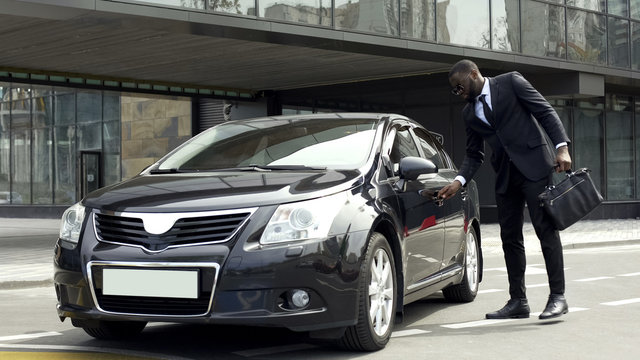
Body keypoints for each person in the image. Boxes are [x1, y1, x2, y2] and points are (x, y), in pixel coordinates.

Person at [438, 59, 572, 320]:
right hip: (506, 176)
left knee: (545, 230)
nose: (459, 92)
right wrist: (458, 181)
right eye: (454, 90)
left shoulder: (511, 82)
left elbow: (545, 112)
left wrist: (562, 147)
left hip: (534, 167)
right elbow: (473, 154)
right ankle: (518, 301)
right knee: (509, 238)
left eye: (460, 86)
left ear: (474, 74)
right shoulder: (468, 113)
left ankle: (558, 297)